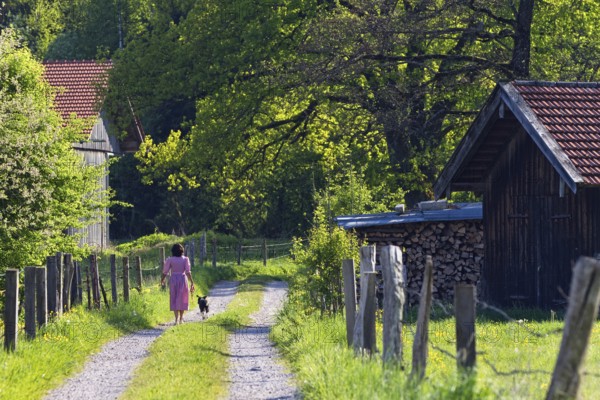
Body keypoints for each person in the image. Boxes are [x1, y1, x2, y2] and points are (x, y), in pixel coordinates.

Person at [160, 243, 195, 325]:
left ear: (173, 251)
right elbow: (188, 272)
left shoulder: (170, 260)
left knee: (174, 298)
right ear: (182, 251)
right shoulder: (185, 259)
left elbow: (165, 271)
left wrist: (162, 280)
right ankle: (181, 318)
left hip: (173, 280)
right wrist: (192, 282)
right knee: (182, 298)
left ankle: (176, 319)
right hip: (183, 279)